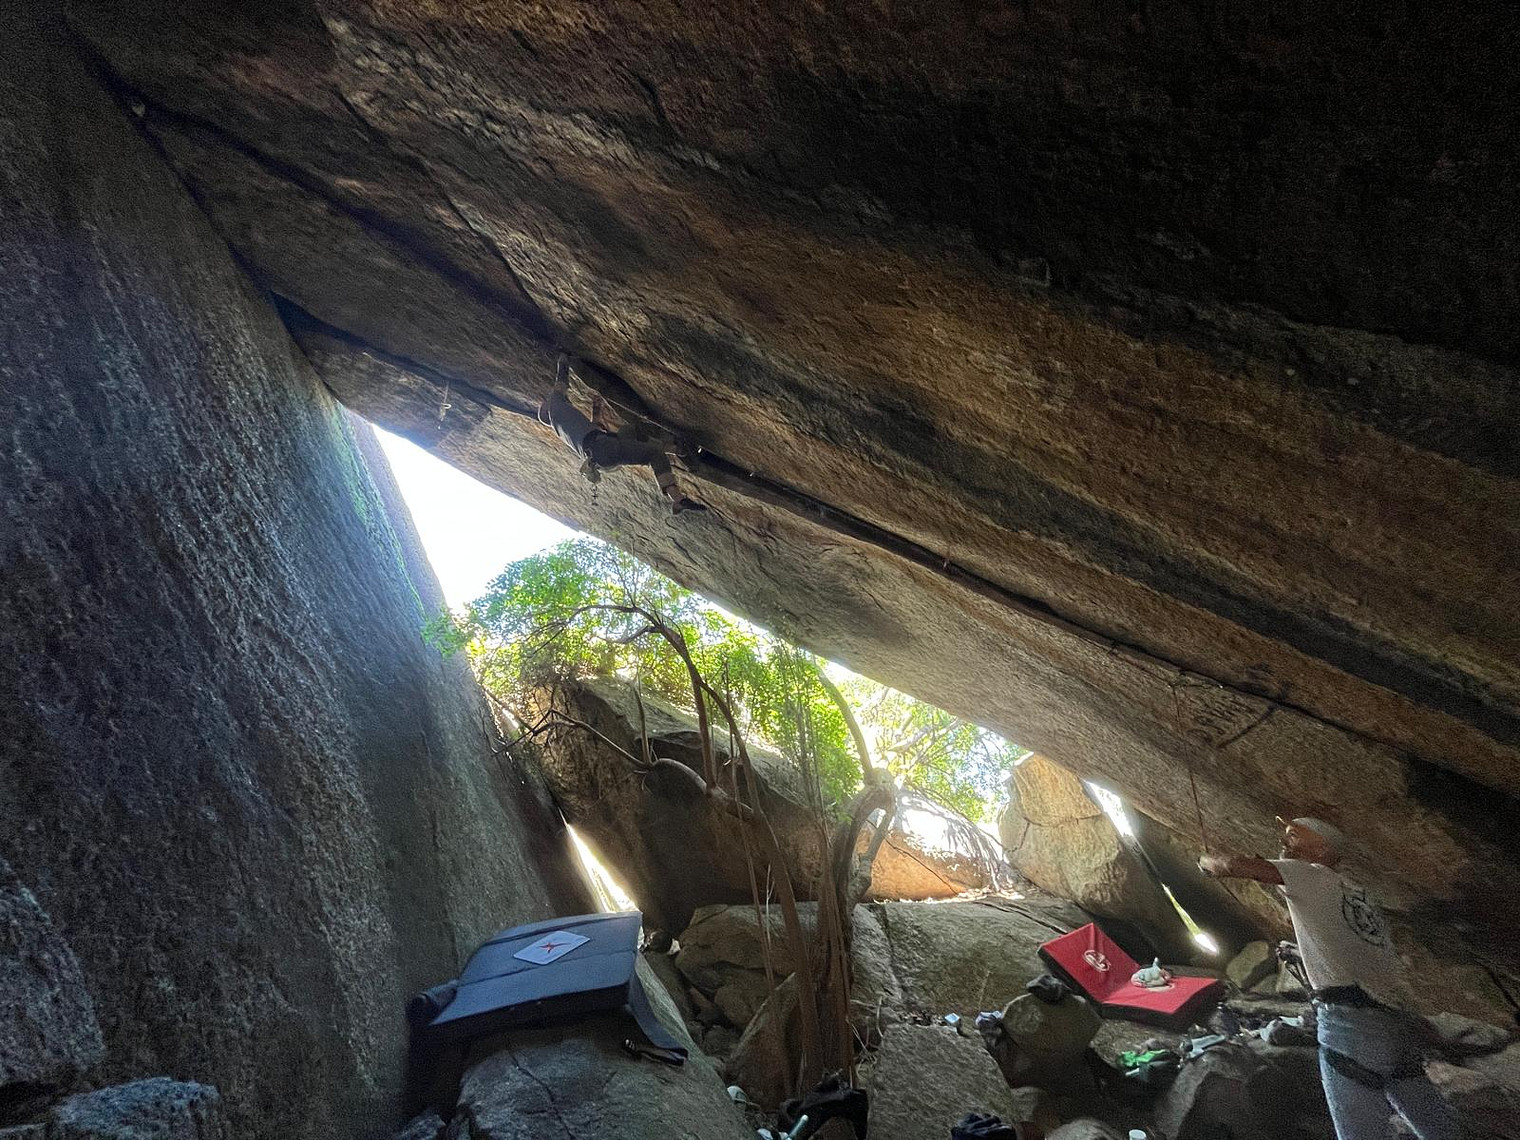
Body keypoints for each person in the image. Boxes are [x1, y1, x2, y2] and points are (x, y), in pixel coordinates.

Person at [1199, 817, 1459, 1140]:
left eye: (1294, 836)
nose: (1284, 842)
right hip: (1393, 1020)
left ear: (1322, 850)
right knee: (1435, 1125)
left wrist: (1207, 862)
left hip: (1350, 1025)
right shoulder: (1356, 892)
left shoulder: (1309, 874)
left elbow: (1236, 865)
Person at [538, 355, 705, 514]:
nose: (547, 400)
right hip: (604, 449)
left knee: (630, 431)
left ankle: (679, 449)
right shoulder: (554, 408)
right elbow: (561, 384)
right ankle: (677, 499)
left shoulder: (562, 427)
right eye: (544, 404)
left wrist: (596, 408)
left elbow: (593, 429)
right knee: (653, 454)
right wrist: (563, 359)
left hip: (601, 452)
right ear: (546, 411)